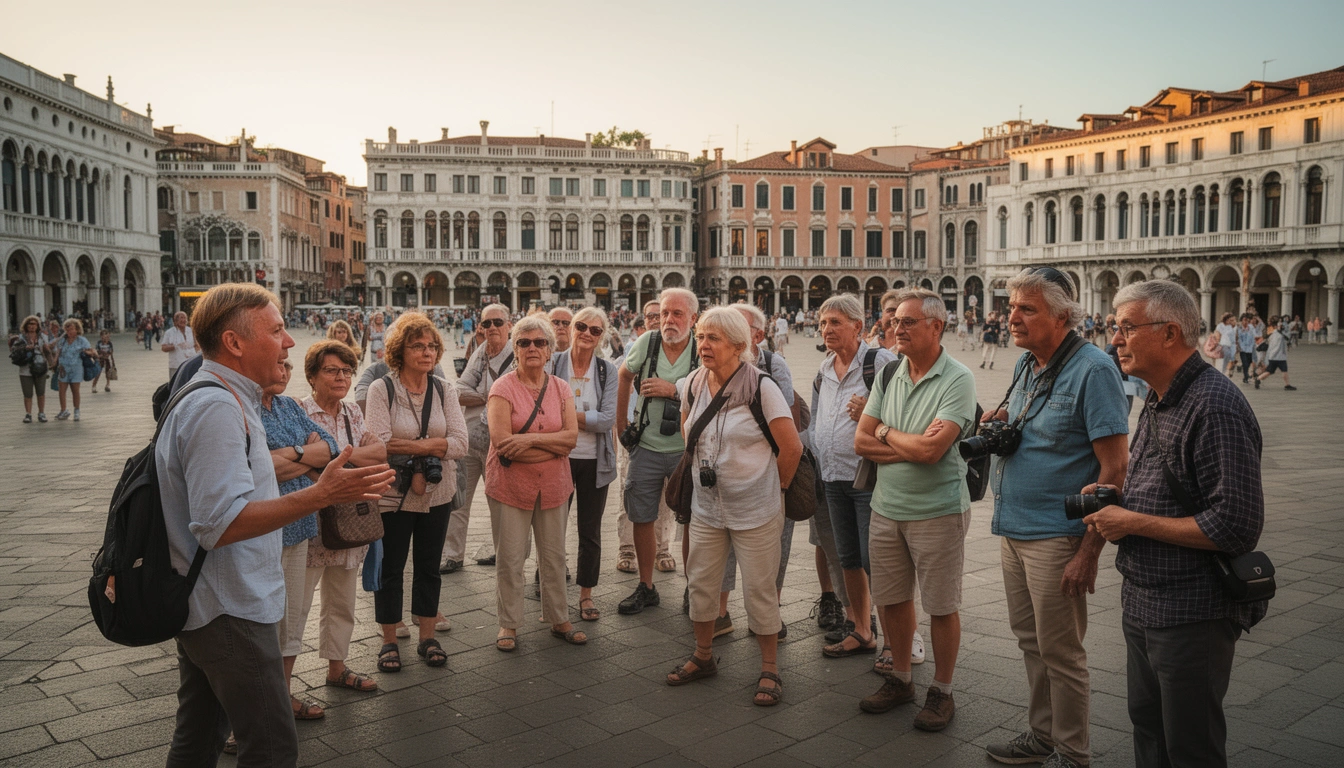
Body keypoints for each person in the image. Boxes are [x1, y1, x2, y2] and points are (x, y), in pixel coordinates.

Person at [159, 283, 394, 767]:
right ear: (235, 343)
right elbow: (218, 524)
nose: (289, 342)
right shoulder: (216, 407)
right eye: (278, 330)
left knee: (199, 737)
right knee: (270, 745)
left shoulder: (229, 396)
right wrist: (321, 493)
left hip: (217, 601)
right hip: (229, 609)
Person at [1084, 280, 1268, 768]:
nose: (1115, 340)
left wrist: (1133, 521)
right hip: (1144, 600)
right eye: (1113, 328)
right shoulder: (1161, 397)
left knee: (1190, 745)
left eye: (1126, 328)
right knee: (1149, 729)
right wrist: (1115, 498)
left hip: (1192, 610)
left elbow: (1235, 526)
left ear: (1169, 333)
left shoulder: (1215, 406)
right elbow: (1161, 488)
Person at [981, 268, 1130, 768]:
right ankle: (1041, 736)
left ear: (1063, 316)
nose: (1012, 317)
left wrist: (1088, 552)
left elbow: (1115, 470)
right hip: (1012, 526)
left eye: (1027, 309)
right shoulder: (1027, 363)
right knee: (1031, 641)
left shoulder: (1093, 370)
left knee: (1062, 652)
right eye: (1012, 306)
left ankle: (1073, 753)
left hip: (1057, 535)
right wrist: (1000, 423)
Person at [854, 288, 976, 732]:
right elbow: (860, 440)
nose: (895, 328)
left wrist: (886, 431)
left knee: (941, 605)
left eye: (907, 322)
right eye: (894, 321)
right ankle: (901, 678)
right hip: (886, 507)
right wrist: (902, 439)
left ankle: (942, 691)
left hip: (938, 510)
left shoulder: (958, 378)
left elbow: (933, 451)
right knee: (891, 599)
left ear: (936, 327)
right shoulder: (889, 374)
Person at [666, 307, 801, 706]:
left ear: (740, 346)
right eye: (702, 336)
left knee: (760, 589)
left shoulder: (762, 387)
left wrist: (774, 488)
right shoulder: (691, 383)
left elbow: (791, 448)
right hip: (708, 508)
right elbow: (690, 434)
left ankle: (770, 668)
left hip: (756, 510)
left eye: (715, 339)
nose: (704, 345)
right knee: (702, 584)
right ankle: (703, 656)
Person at [366, 312, 469, 673]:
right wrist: (432, 446)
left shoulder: (443, 390)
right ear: (400, 350)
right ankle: (389, 639)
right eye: (417, 346)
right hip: (394, 492)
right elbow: (378, 445)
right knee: (391, 567)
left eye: (431, 346)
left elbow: (461, 443)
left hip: (436, 493)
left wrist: (411, 446)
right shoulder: (383, 389)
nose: (426, 353)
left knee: (429, 566)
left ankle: (427, 636)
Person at [292, 341, 387, 698]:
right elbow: (301, 467)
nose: (341, 377)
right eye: (332, 370)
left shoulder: (352, 412)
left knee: (342, 601)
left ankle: (337, 667)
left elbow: (379, 450)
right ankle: (281, 683)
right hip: (311, 522)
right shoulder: (298, 411)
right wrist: (348, 462)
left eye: (347, 370)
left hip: (348, 520)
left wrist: (331, 459)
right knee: (296, 605)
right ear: (313, 376)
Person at [811, 294, 899, 665]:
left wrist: (871, 412)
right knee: (847, 556)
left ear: (858, 327)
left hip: (868, 477)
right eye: (823, 323)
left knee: (874, 558)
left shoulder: (880, 361)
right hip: (832, 475)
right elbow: (817, 418)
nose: (827, 330)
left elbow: (906, 411)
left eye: (835, 322)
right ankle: (861, 630)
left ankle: (895, 643)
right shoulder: (824, 368)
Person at [486, 314, 583, 650]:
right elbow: (501, 442)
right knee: (511, 557)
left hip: (555, 484)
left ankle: (559, 618)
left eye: (539, 342)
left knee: (554, 556)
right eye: (524, 342)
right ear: (515, 349)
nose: (532, 348)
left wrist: (525, 441)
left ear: (549, 351)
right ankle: (508, 624)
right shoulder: (503, 388)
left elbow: (570, 439)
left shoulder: (561, 388)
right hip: (511, 485)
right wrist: (549, 445)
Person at [710, 303, 800, 637]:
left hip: (770, 470)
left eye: (736, 325)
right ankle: (719, 612)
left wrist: (778, 484)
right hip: (725, 474)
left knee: (775, 546)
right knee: (722, 546)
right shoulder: (711, 364)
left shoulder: (775, 365)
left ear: (757, 335)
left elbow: (786, 428)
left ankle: (770, 614)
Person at [259, 360, 340, 720]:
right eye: (277, 362)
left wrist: (286, 455)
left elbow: (332, 448)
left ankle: (283, 697)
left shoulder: (289, 406)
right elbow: (254, 465)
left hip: (300, 526)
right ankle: (248, 712)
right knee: (258, 622)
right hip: (260, 531)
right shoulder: (240, 408)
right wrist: (306, 456)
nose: (284, 369)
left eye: (288, 364)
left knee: (291, 619)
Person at [616, 288, 700, 614]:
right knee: (642, 517)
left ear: (693, 318)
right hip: (647, 447)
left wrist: (673, 391)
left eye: (677, 314)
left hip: (686, 450)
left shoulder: (700, 346)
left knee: (691, 520)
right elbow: (624, 376)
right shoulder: (647, 343)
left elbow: (713, 387)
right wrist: (621, 424)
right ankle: (646, 586)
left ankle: (693, 588)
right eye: (665, 313)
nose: (669, 320)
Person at [549, 306, 619, 622]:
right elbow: (543, 412)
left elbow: (606, 421)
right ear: (571, 328)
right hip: (557, 458)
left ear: (602, 336)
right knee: (551, 529)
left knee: (589, 531)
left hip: (593, 460)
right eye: (581, 326)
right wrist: (579, 420)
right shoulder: (554, 362)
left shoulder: (607, 370)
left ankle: (586, 595)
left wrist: (566, 416)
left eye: (595, 330)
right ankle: (550, 594)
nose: (587, 334)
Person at [615, 301, 677, 575]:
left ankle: (663, 549)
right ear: (644, 322)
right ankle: (626, 549)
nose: (657, 320)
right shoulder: (637, 346)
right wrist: (623, 426)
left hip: (672, 437)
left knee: (667, 499)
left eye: (660, 315)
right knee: (629, 496)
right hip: (636, 434)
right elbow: (623, 381)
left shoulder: (683, 349)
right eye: (653, 316)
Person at [452, 303, 515, 569]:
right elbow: (458, 389)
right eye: (486, 324)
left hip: (498, 443)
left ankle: (505, 553)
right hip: (469, 438)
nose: (491, 329)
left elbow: (516, 397)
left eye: (497, 323)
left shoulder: (517, 352)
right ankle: (452, 555)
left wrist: (481, 395)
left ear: (509, 326)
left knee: (501, 503)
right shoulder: (481, 353)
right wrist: (489, 396)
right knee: (459, 499)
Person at [11, 315, 53, 423]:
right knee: (27, 393)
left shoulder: (42, 337)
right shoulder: (21, 337)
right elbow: (14, 350)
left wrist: (52, 364)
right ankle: (28, 414)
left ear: (38, 326)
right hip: (25, 369)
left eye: (34, 324)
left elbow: (47, 351)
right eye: (30, 324)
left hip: (40, 368)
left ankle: (41, 413)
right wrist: (25, 348)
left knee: (41, 392)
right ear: (26, 325)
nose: (32, 326)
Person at [54, 318, 93, 421]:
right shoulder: (62, 340)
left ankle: (77, 410)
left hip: (76, 368)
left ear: (77, 329)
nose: (69, 332)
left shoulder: (82, 340)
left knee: (75, 390)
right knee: (62, 390)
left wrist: (88, 352)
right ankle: (64, 410)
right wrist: (54, 362)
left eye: (72, 329)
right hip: (63, 368)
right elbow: (56, 351)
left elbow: (90, 351)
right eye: (67, 329)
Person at [1255, 317, 1295, 390]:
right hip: (1278, 357)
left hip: (1275, 357)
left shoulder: (1274, 334)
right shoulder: (1278, 335)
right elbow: (1276, 347)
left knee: (1270, 371)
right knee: (1284, 370)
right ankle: (1287, 385)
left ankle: (1258, 379)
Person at [161, 311, 200, 380]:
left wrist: (195, 354)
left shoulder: (191, 331)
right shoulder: (169, 332)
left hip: (190, 364)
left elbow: (197, 345)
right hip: (176, 365)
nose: (183, 320)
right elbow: (163, 348)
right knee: (175, 385)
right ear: (175, 321)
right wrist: (175, 346)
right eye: (181, 318)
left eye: (185, 318)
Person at [90, 329, 116, 393]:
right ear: (101, 337)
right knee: (98, 373)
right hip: (100, 359)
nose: (106, 338)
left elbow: (111, 351)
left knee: (108, 373)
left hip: (107, 359)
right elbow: (96, 350)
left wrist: (108, 354)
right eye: (104, 337)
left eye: (107, 337)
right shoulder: (99, 343)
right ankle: (94, 386)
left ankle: (107, 385)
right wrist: (100, 354)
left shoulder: (110, 343)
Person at [1235, 315, 1257, 384]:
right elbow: (1238, 339)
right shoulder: (1239, 328)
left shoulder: (1251, 327)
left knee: (1249, 362)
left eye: (1247, 320)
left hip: (1250, 348)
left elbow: (1254, 336)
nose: (1246, 322)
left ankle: (1245, 376)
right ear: (1241, 321)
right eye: (1244, 320)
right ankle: (1246, 376)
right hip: (1242, 349)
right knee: (1245, 363)